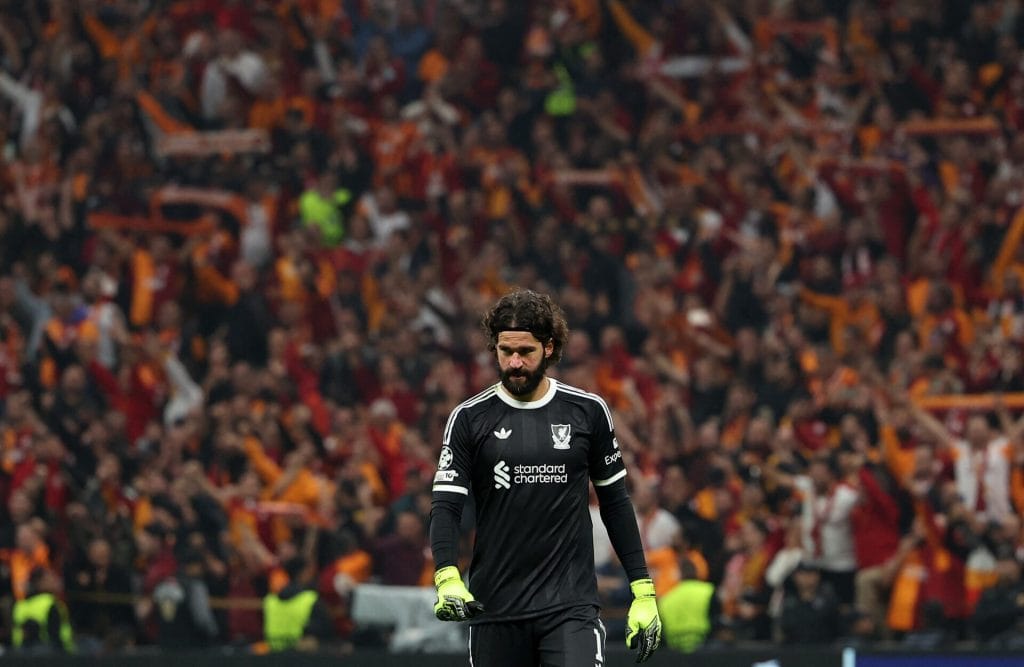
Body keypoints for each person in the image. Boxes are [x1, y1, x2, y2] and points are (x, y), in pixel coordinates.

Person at [429, 289, 661, 665]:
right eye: (506, 352)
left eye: (526, 352)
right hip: (496, 607)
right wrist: (446, 574)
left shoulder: (587, 412)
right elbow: (446, 506)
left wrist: (643, 589)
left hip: (569, 606)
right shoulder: (469, 418)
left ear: (549, 348)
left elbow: (615, 503)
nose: (515, 363)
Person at [659, 558, 717, 653]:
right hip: (704, 647)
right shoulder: (708, 591)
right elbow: (715, 618)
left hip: (675, 652)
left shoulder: (666, 599)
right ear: (696, 572)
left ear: (679, 574)